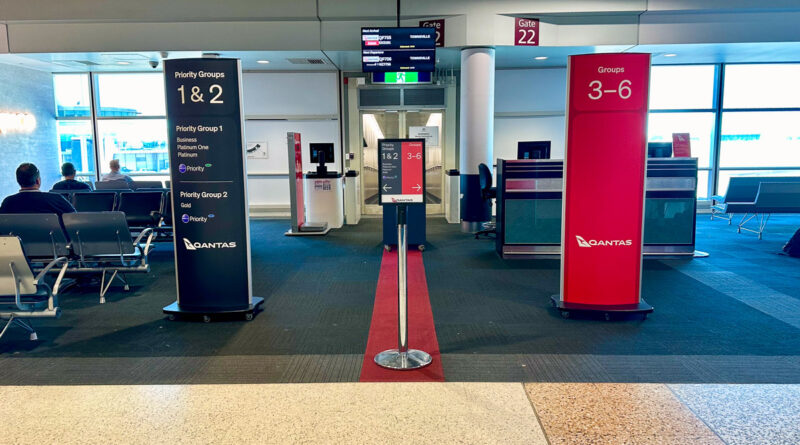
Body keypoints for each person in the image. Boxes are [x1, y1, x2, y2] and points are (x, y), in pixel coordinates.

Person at [0, 163, 76, 215]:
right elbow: (75, 218)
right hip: (52, 238)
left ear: (18, 181)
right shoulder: (56, 199)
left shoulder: (7, 203)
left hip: (17, 239)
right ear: (38, 181)